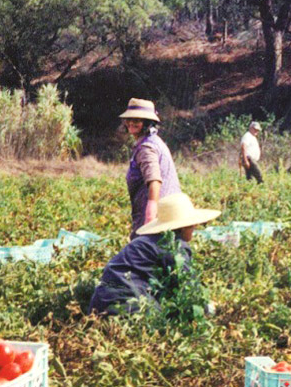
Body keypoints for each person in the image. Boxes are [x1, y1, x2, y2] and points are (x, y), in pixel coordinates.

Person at [89, 193, 220, 316]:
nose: (195, 227)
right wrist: (209, 308)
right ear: (183, 226)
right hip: (128, 303)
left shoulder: (146, 241)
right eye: (192, 225)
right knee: (165, 322)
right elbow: (188, 289)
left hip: (99, 303)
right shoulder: (174, 246)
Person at [120, 98, 182, 240]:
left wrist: (150, 218)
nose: (131, 123)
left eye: (137, 120)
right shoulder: (154, 142)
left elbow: (154, 181)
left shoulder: (147, 148)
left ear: (147, 123)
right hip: (169, 213)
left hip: (157, 217)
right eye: (129, 119)